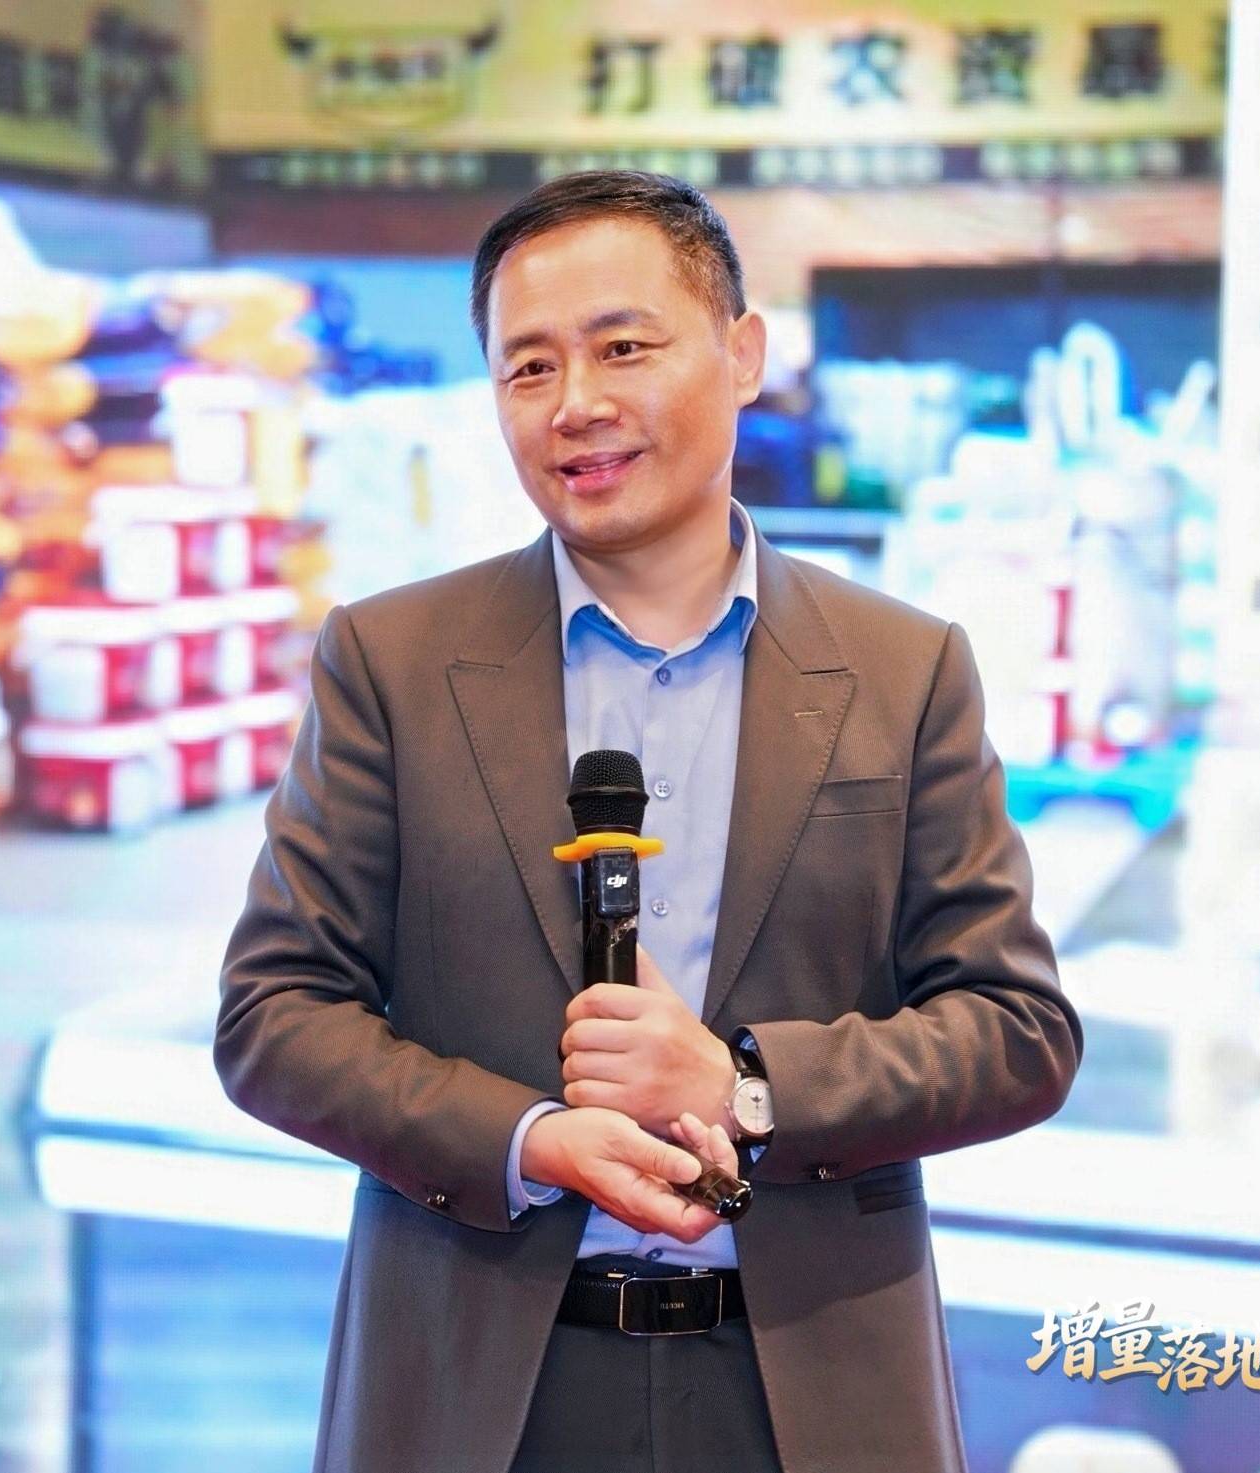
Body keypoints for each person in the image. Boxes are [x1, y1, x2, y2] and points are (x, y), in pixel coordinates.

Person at [215, 170, 1082, 1473]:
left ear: (743, 355)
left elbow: (1017, 1032)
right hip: (477, 1387)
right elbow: (273, 1015)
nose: (576, 404)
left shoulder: (901, 670)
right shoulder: (394, 663)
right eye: (529, 367)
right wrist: (526, 1141)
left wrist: (745, 1087)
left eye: (623, 347)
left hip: (809, 1390)